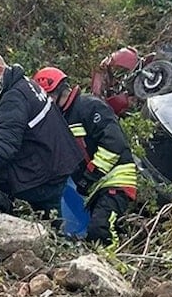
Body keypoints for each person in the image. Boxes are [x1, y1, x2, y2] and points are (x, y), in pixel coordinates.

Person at [0, 51, 84, 214]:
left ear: (0, 70)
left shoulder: (13, 98)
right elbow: (24, 128)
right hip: (59, 165)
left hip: (45, 177)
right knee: (54, 221)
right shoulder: (25, 84)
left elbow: (5, 152)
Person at [33, 67, 137, 244]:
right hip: (91, 186)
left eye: (46, 98)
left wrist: (91, 174)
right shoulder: (61, 117)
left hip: (115, 178)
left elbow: (114, 143)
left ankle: (112, 268)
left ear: (55, 93)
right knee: (82, 233)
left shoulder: (89, 106)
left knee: (101, 229)